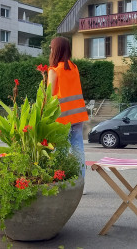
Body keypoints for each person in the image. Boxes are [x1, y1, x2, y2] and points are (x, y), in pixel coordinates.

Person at [47, 36, 89, 180]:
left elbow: (49, 95)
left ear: (56, 50)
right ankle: (80, 182)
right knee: (78, 150)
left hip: (63, 118)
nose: (50, 50)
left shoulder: (54, 70)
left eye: (51, 48)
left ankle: (62, 181)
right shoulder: (74, 67)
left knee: (61, 151)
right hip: (78, 116)